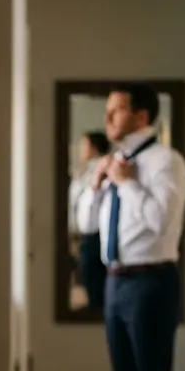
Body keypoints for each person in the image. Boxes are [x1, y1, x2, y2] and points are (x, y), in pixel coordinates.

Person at [76, 84, 185, 371]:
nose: (108, 119)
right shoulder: (113, 163)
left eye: (117, 110)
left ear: (142, 116)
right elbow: (86, 222)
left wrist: (128, 186)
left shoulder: (167, 163)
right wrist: (100, 183)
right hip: (115, 282)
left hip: (151, 282)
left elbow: (160, 223)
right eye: (107, 110)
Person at [67, 130, 111, 309]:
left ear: (93, 148)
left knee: (94, 284)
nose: (80, 150)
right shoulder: (84, 171)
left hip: (94, 235)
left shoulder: (98, 170)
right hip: (86, 235)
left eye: (83, 146)